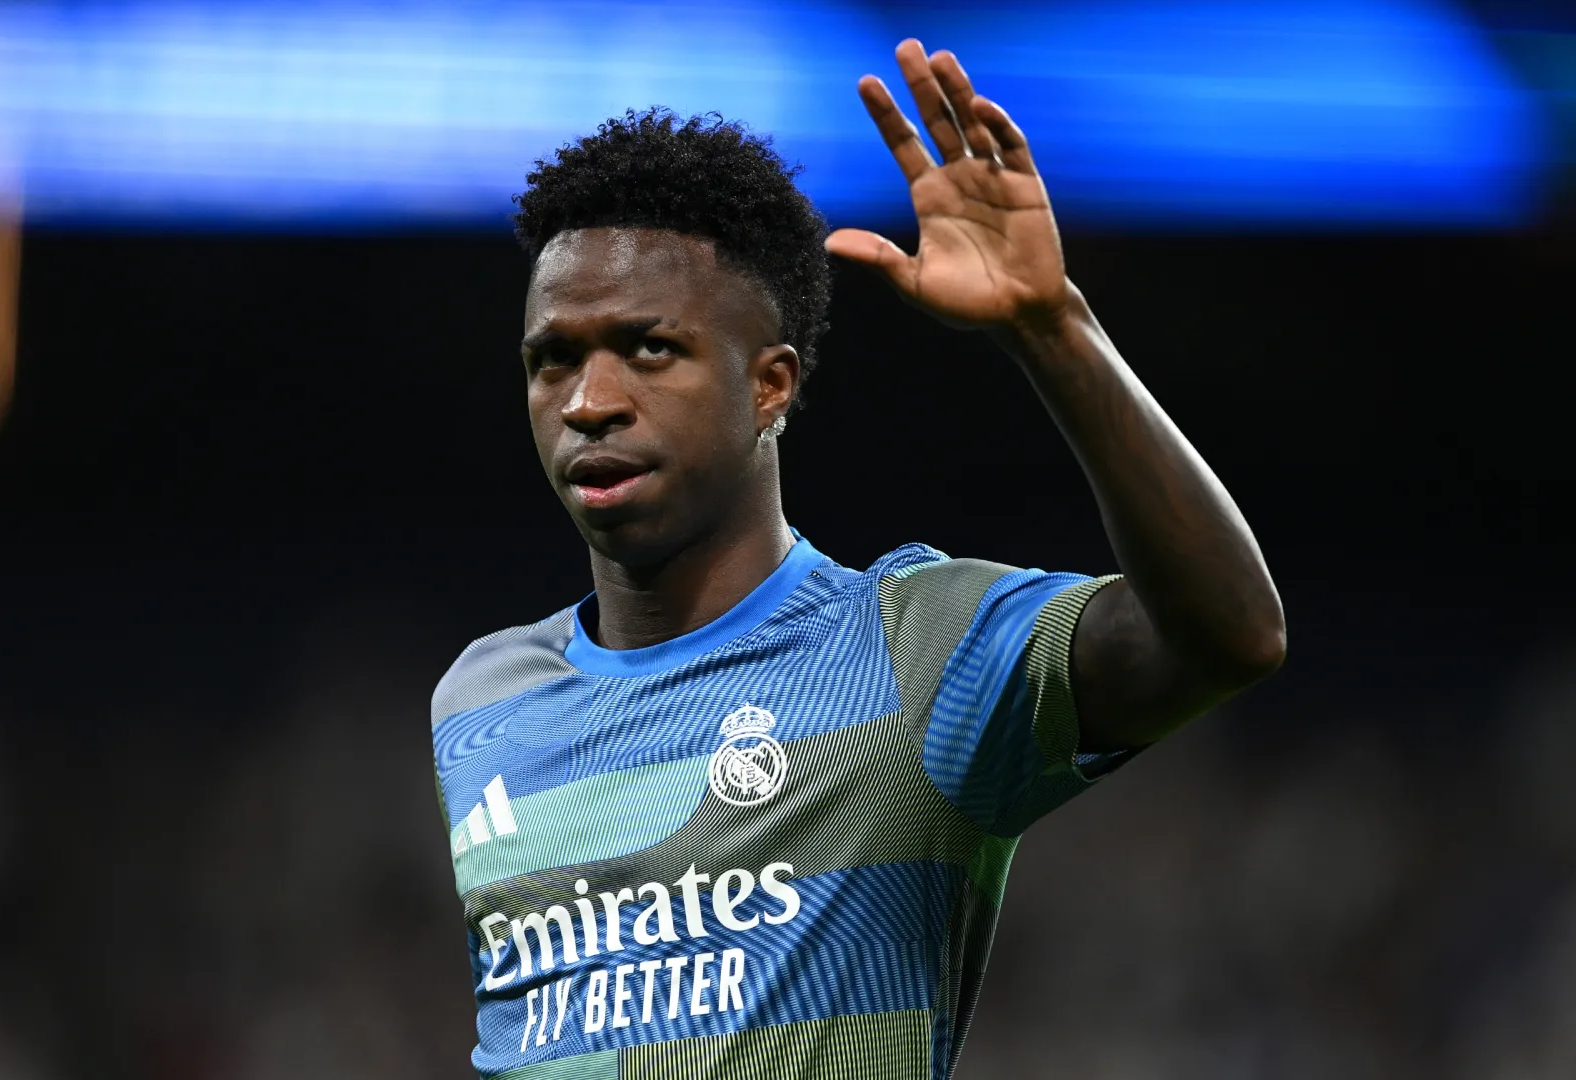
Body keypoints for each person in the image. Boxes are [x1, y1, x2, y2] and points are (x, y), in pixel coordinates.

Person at [430, 40, 1285, 1080]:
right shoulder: (480, 701)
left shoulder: (917, 647)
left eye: (650, 348)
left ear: (771, 387)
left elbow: (1231, 636)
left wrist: (1053, 329)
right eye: (552, 359)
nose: (588, 401)